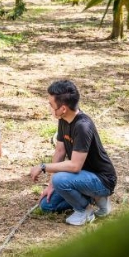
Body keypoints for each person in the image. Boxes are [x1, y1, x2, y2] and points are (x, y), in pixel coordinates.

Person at [30, 80, 117, 226]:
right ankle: (91, 198)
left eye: (51, 104)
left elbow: (75, 165)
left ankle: (85, 209)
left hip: (101, 180)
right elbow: (59, 151)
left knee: (60, 179)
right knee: (47, 205)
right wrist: (50, 185)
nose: (49, 107)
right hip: (79, 178)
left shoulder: (83, 126)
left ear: (63, 108)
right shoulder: (63, 119)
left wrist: (43, 167)